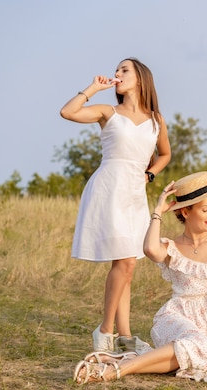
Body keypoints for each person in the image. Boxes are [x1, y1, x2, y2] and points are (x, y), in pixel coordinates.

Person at [72, 172, 207, 383]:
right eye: (205, 209)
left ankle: (120, 363)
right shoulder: (172, 248)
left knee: (191, 357)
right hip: (178, 317)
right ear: (185, 212)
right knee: (191, 344)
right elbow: (149, 249)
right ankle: (113, 372)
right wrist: (158, 211)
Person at [60, 57, 171, 352]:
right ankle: (105, 331)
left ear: (141, 78)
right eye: (116, 70)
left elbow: (165, 155)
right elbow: (67, 112)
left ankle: (125, 335)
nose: (117, 74)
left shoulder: (157, 120)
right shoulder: (108, 112)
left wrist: (150, 174)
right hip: (108, 188)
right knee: (125, 261)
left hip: (135, 193)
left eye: (124, 70)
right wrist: (93, 88)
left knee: (128, 263)